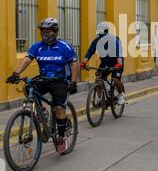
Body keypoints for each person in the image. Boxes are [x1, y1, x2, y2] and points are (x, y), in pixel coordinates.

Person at [6, 18, 79, 153]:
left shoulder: (64, 46)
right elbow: (27, 59)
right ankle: (43, 111)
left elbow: (74, 64)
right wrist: (16, 74)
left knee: (59, 108)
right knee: (27, 87)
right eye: (43, 31)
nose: (46, 34)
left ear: (55, 32)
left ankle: (61, 138)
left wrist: (73, 83)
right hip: (44, 79)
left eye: (49, 31)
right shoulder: (37, 46)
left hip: (60, 81)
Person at [81, 22, 126, 105]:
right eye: (99, 32)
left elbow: (119, 53)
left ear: (106, 31)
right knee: (98, 78)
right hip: (105, 63)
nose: (101, 34)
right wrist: (83, 63)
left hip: (116, 62)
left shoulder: (114, 40)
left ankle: (121, 95)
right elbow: (89, 52)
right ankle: (101, 99)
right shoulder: (96, 41)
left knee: (115, 79)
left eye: (103, 32)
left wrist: (119, 64)